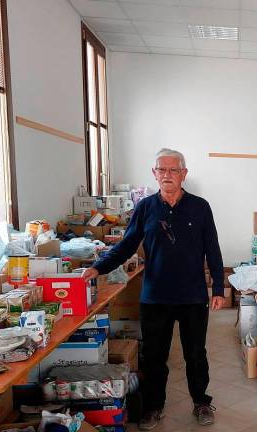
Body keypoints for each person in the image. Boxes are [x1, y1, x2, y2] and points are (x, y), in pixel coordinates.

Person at [82, 148, 225, 429]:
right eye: (162, 170)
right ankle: (153, 407)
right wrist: (99, 267)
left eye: (174, 170)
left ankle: (201, 402)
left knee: (195, 354)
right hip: (155, 296)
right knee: (154, 357)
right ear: (154, 174)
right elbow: (126, 245)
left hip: (193, 296)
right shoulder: (146, 207)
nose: (168, 175)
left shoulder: (200, 207)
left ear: (184, 174)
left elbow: (213, 250)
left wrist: (218, 288)